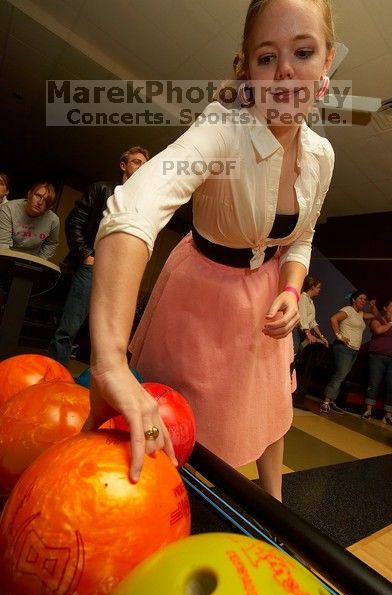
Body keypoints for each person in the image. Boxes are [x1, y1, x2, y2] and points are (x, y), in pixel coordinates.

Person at [83, 0, 337, 501]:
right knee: (170, 431)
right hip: (201, 295)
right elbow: (134, 206)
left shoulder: (322, 155)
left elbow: (301, 236)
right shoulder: (222, 130)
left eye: (303, 51)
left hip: (266, 299)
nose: (285, 69)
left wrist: (289, 285)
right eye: (267, 57)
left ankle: (273, 509)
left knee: (270, 406)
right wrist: (109, 361)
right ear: (248, 71)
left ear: (327, 65)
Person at [47, 146, 149, 365]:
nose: (142, 167)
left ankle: (91, 385)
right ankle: (52, 378)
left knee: (107, 334)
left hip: (118, 273)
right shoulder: (101, 189)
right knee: (69, 327)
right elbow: (74, 222)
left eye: (144, 164)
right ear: (123, 165)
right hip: (91, 265)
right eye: (137, 162)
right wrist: (85, 255)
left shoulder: (142, 202)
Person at [321, 291, 377, 414]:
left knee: (343, 375)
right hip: (343, 348)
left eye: (365, 299)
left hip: (354, 350)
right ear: (353, 300)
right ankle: (326, 402)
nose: (363, 301)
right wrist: (339, 335)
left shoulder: (361, 314)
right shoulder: (348, 310)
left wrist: (372, 305)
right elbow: (333, 318)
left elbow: (375, 316)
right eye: (361, 298)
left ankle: (331, 401)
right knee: (340, 374)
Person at [362, 300, 392, 426]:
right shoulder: (378, 319)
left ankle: (388, 415)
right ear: (385, 308)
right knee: (374, 383)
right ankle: (368, 411)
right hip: (377, 356)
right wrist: (390, 323)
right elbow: (378, 330)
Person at [0, 182, 59, 260]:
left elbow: (51, 243)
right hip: (8, 256)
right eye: (38, 196)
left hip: (32, 260)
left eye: (46, 200)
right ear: (29, 194)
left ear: (50, 206)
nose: (40, 202)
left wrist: (40, 261)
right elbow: (3, 244)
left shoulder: (53, 221)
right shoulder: (8, 209)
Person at [293, 275, 328, 355]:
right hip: (296, 332)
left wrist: (321, 337)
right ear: (312, 287)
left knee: (298, 355)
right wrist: (308, 334)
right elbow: (303, 318)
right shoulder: (303, 298)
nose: (320, 290)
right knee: (293, 355)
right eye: (318, 287)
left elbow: (312, 322)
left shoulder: (310, 301)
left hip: (303, 333)